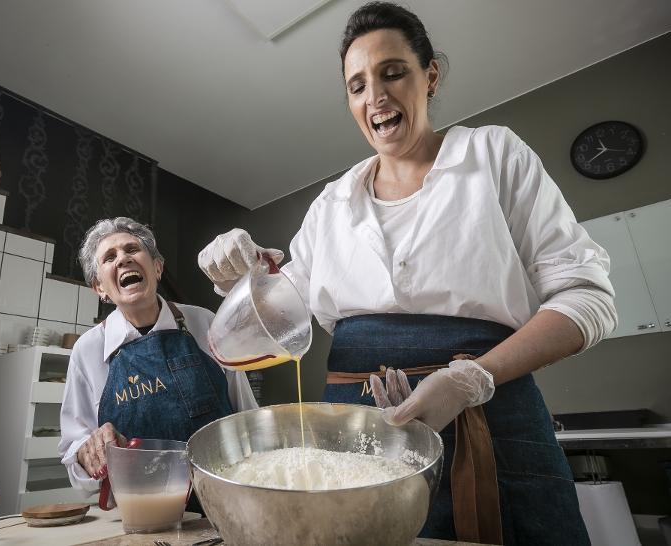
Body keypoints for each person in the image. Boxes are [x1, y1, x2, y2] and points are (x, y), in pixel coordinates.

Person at [197, 2, 616, 544]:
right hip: (353, 437)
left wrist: (470, 380)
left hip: (491, 419)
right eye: (357, 85)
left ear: (430, 75)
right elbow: (283, 306)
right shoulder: (331, 205)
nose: (376, 96)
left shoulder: (494, 156)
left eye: (393, 73)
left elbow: (587, 298)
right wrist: (242, 270)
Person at [59, 217, 257, 510]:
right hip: (140, 512)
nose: (123, 259)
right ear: (99, 287)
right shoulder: (87, 350)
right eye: (110, 257)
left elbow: (246, 416)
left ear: (158, 268)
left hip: (223, 503)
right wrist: (89, 453)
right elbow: (74, 451)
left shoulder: (206, 323)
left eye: (132, 250)